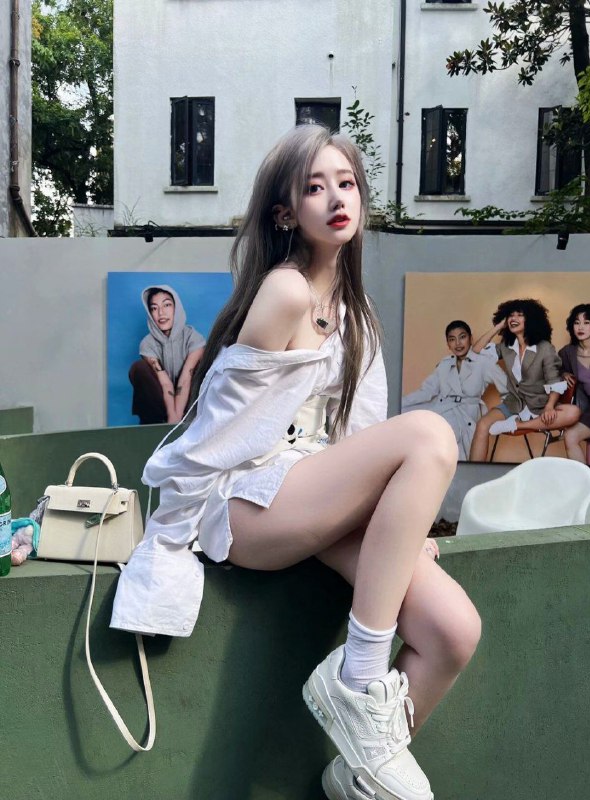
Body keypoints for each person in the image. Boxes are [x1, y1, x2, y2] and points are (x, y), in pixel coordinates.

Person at [111, 125, 480, 800]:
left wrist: (399, 526)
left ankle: (353, 776)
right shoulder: (284, 291)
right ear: (285, 213)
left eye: (346, 183)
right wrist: (171, 530)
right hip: (248, 503)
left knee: (453, 631)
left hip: (312, 493)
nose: (336, 198)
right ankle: (359, 678)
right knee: (431, 432)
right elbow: (219, 428)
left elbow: (359, 438)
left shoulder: (356, 313)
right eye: (314, 188)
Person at [469, 298, 580, 462]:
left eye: (519, 315)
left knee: (573, 412)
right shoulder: (506, 346)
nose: (513, 318)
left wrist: (550, 406)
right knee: (482, 425)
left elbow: (554, 381)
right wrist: (499, 326)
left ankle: (517, 425)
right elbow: (475, 352)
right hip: (514, 403)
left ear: (531, 320)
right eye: (510, 315)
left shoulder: (545, 348)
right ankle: (473, 474)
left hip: (540, 405)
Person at [401, 320, 508, 460]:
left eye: (462, 337)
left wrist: (502, 414)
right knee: (404, 418)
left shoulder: (483, 363)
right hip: (441, 408)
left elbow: (508, 390)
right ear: (448, 344)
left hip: (466, 414)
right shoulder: (445, 364)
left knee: (438, 435)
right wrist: (399, 403)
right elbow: (426, 392)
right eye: (452, 339)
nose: (458, 343)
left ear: (470, 339)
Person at [129, 285, 205, 424]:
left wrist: (178, 415)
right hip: (161, 404)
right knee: (139, 368)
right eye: (154, 308)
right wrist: (172, 416)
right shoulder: (147, 344)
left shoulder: (194, 338)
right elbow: (165, 382)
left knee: (206, 365)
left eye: (167, 305)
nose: (161, 313)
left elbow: (186, 378)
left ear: (177, 308)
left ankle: (196, 419)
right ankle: (154, 424)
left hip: (190, 401)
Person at [559, 303, 590, 462]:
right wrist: (563, 373)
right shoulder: (568, 352)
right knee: (570, 436)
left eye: (586, 322)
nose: (580, 327)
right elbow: (553, 368)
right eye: (577, 322)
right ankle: (585, 477)